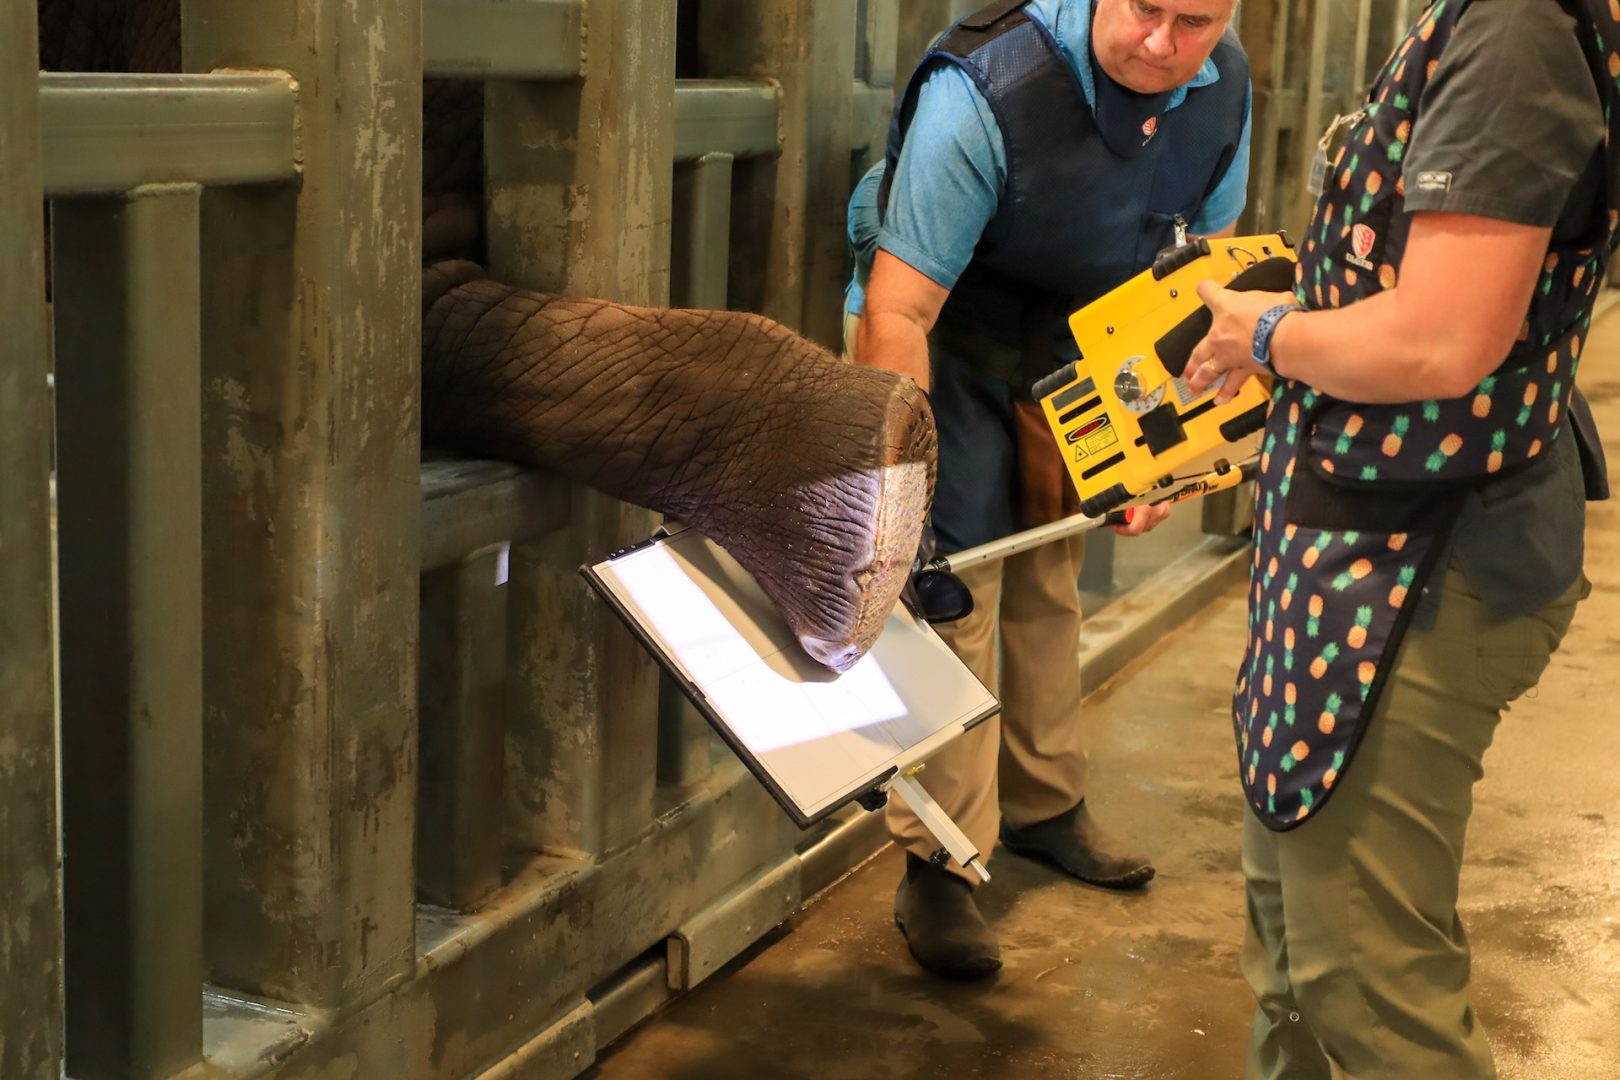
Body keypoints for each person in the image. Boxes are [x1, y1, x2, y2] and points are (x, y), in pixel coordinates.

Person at [1184, 0, 1613, 1073]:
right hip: (1353, 538)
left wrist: (1270, 335)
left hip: (1419, 557)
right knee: (1293, 948)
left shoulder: (1518, 28)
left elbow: (1441, 340)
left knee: (1366, 983)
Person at [846, 0, 1253, 979]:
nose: (1161, 42)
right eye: (1144, 8)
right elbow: (899, 310)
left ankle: (1042, 803)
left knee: (1047, 577)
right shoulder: (986, 94)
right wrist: (902, 500)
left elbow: (1198, 287)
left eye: (1192, 21)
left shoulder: (1224, 87)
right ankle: (938, 860)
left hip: (1068, 353)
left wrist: (1162, 454)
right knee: (954, 593)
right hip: (942, 342)